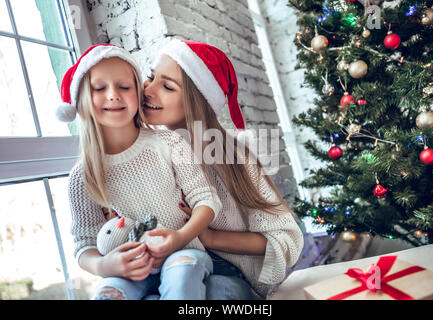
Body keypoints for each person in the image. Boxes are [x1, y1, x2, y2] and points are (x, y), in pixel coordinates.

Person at [56, 44, 222, 300]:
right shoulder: (83, 176)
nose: (113, 95)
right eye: (100, 88)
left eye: (124, 87)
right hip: (129, 272)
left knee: (181, 278)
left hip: (184, 253)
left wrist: (180, 237)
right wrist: (104, 266)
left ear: (138, 92)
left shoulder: (168, 142)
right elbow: (85, 246)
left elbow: (206, 199)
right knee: (106, 294)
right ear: (82, 101)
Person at [142, 39, 304, 299]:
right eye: (150, 77)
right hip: (164, 275)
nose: (148, 90)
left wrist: (209, 237)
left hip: (226, 277)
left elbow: (286, 239)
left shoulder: (233, 157)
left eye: (167, 86)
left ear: (197, 101)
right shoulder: (143, 154)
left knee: (215, 291)